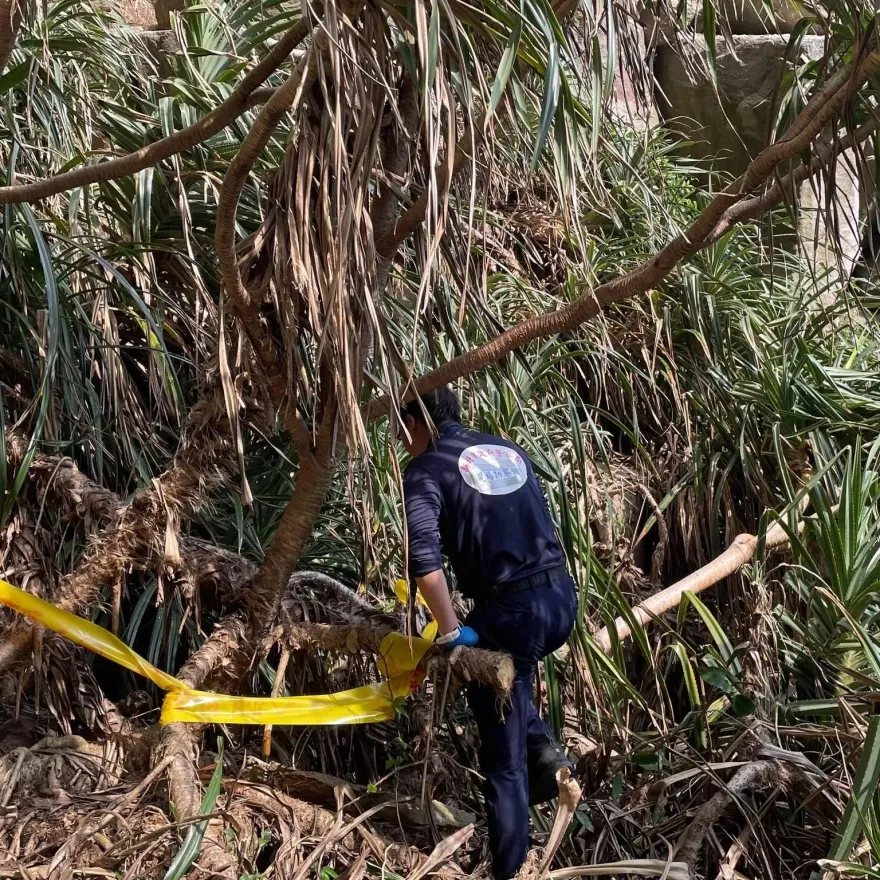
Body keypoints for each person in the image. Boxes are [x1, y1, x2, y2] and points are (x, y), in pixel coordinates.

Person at [399, 385, 578, 880]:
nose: (400, 438)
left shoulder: (426, 467)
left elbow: (426, 565)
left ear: (417, 424)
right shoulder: (505, 450)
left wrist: (453, 631)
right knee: (506, 682)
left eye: (401, 426)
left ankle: (510, 868)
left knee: (503, 761)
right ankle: (542, 748)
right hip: (561, 599)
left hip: (512, 613)